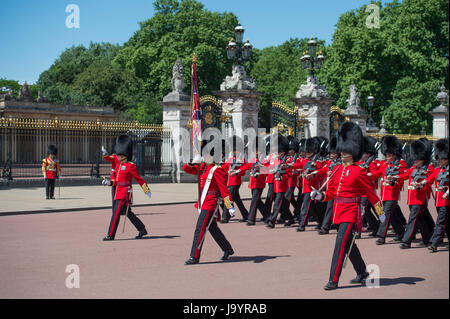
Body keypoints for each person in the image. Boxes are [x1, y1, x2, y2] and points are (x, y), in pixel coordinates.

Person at [310, 122, 385, 290]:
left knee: (340, 244)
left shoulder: (359, 171)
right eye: (341, 150)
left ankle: (333, 279)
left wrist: (381, 213)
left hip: (351, 212)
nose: (341, 152)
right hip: (338, 211)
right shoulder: (336, 170)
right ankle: (362, 272)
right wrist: (319, 195)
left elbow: (371, 194)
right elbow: (330, 194)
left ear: (353, 152)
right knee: (349, 242)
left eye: (345, 150)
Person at [183, 140, 236, 265]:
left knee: (200, 229)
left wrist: (229, 206)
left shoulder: (217, 170)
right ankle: (227, 249)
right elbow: (187, 169)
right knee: (212, 228)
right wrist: (192, 162)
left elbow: (224, 190)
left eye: (207, 155)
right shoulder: (204, 166)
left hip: (211, 203)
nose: (205, 156)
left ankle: (194, 256)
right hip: (203, 201)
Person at [103, 135, 151, 241]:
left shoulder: (130, 166)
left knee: (116, 213)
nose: (118, 156)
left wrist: (146, 190)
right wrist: (108, 183)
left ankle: (110, 235)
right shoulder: (119, 164)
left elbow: (139, 179)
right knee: (127, 212)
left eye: (120, 154)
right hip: (117, 191)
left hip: (124, 192)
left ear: (125, 155)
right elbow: (116, 180)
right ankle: (142, 229)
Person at [395, 138, 434, 249]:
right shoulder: (413, 168)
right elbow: (404, 175)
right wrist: (395, 177)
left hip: (419, 199)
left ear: (422, 158)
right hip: (411, 199)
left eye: (417, 158)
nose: (415, 160)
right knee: (420, 220)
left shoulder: (426, 170)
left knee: (412, 220)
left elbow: (428, 181)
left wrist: (420, 185)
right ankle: (428, 238)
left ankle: (406, 241)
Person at [369, 135, 407, 245]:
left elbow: (403, 176)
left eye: (389, 154)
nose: (387, 156)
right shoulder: (384, 165)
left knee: (384, 215)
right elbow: (377, 174)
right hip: (384, 194)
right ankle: (401, 233)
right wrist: (365, 175)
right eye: (386, 154)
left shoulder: (400, 164)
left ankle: (381, 236)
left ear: (394, 154)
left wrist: (394, 180)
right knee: (393, 216)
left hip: (393, 194)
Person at [422, 138, 449, 252]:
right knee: (446, 223)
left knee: (440, 223)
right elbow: (429, 179)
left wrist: (447, 190)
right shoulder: (438, 170)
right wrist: (420, 183)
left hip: (446, 201)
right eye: (439, 158)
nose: (440, 160)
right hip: (438, 201)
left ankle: (434, 243)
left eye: (442, 159)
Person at [265, 134, 295, 228]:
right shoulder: (275, 159)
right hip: (274, 184)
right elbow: (269, 168)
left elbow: (290, 173)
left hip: (282, 185)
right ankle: (290, 218)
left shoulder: (288, 160)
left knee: (277, 204)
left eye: (280, 152)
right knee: (283, 205)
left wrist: (283, 177)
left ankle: (272, 221)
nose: (279, 153)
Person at [238, 139, 269, 225]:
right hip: (253, 183)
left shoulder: (264, 159)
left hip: (259, 183)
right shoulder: (255, 159)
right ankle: (267, 215)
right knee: (257, 201)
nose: (256, 152)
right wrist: (238, 171)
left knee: (254, 201)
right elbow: (247, 166)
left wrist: (260, 169)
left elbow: (267, 170)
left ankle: (251, 219)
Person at [221, 136, 248, 222]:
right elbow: (224, 168)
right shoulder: (231, 159)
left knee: (228, 199)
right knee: (237, 200)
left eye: (235, 150)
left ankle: (225, 217)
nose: (233, 152)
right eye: (233, 150)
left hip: (235, 182)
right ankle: (246, 215)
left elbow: (243, 171)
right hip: (230, 182)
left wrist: (237, 171)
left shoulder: (241, 159)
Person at [317, 136, 341, 235]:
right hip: (330, 190)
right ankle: (326, 227)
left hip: (338, 190)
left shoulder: (341, 164)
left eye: (333, 153)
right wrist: (313, 173)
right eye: (330, 153)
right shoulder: (330, 164)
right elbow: (322, 170)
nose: (331, 155)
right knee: (330, 208)